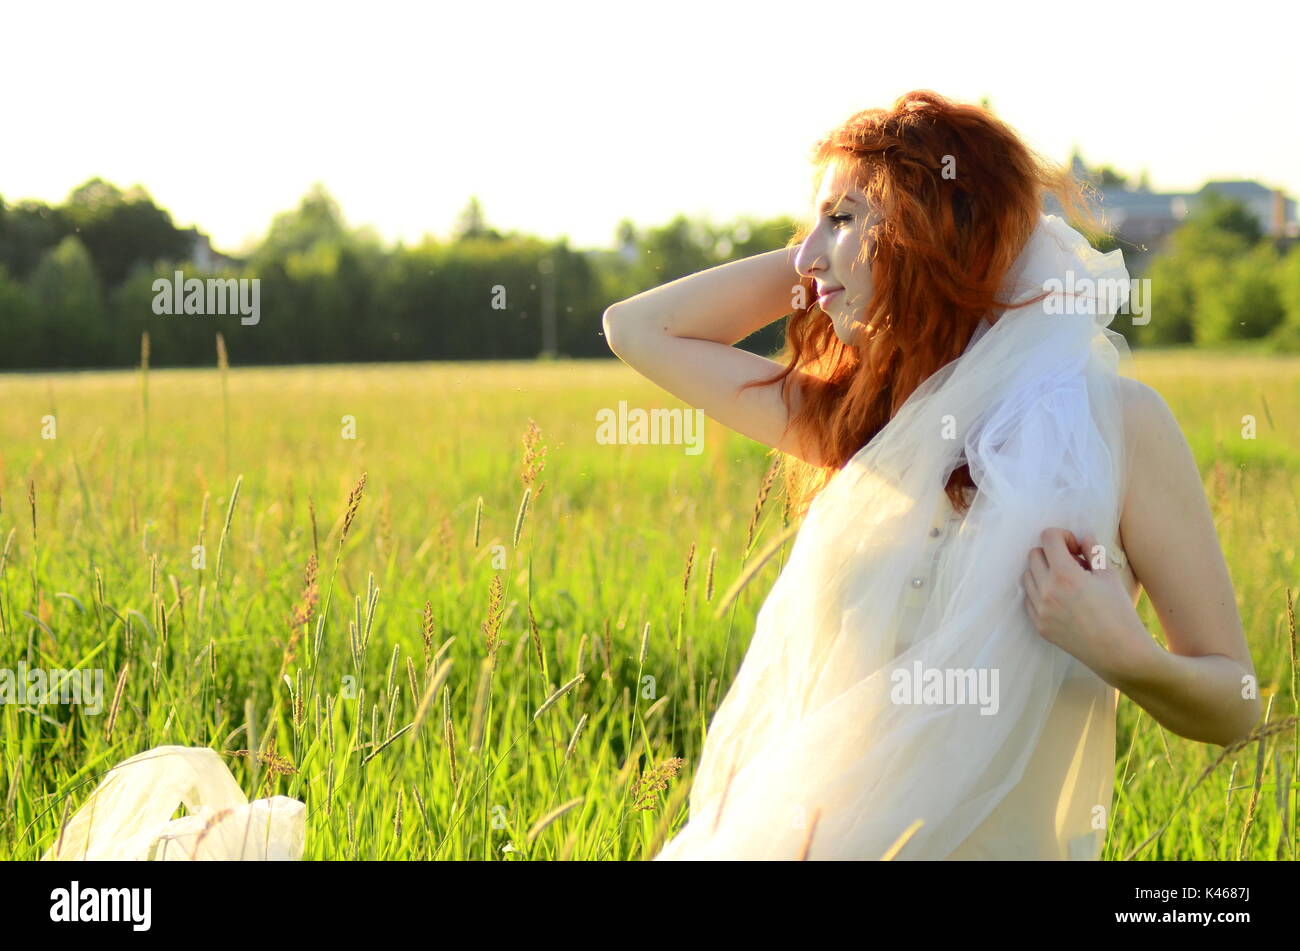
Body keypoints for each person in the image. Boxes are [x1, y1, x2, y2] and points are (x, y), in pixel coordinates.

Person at [603, 90, 1259, 860]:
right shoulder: (862, 424)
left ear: (929, 233)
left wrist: (1125, 652)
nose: (807, 253)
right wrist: (825, 252)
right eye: (812, 224)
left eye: (843, 218)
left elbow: (1235, 703)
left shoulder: (1121, 426)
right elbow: (639, 328)